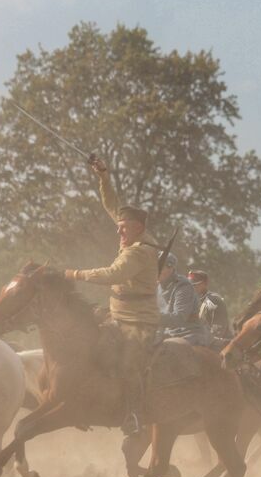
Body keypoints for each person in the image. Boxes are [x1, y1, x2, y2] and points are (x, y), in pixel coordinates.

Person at [63, 156, 160, 435]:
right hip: (117, 314)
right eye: (119, 226)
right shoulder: (133, 234)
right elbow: (113, 207)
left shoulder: (140, 251)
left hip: (138, 321)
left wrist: (75, 274)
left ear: (139, 228)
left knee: (129, 362)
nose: (118, 230)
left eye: (124, 227)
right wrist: (103, 177)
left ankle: (133, 414)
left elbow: (113, 275)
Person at [158, 253, 210, 347]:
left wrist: (151, 316)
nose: (156, 270)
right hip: (169, 334)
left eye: (160, 266)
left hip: (190, 334)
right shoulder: (157, 286)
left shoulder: (183, 286)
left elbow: (179, 318)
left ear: (170, 267)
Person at [187, 270, 230, 341]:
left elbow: (218, 330)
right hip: (204, 341)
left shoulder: (213, 300)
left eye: (194, 285)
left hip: (219, 344)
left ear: (204, 284)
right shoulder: (194, 301)